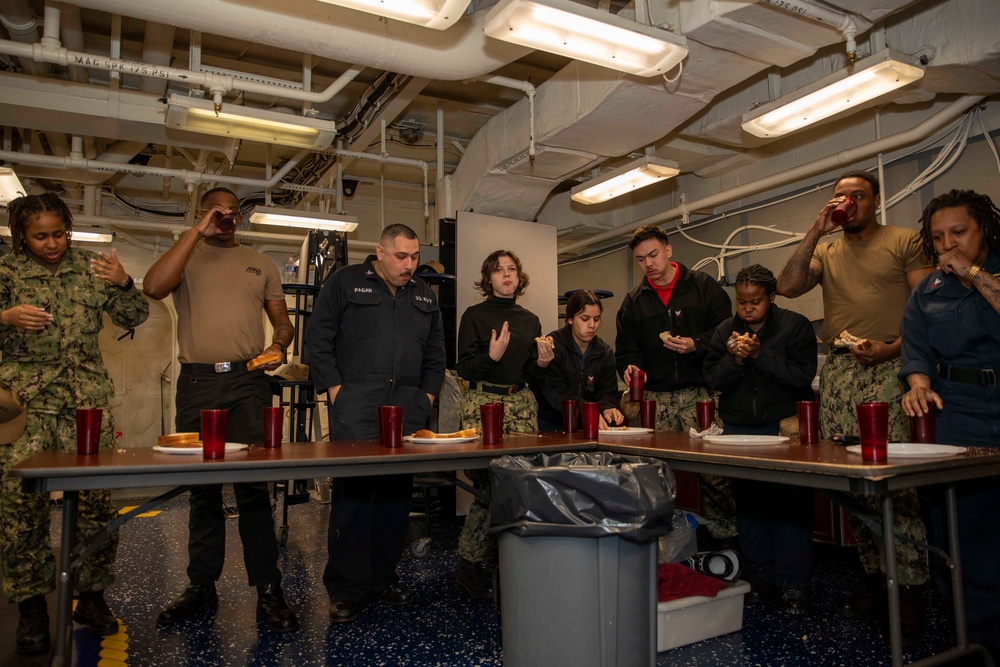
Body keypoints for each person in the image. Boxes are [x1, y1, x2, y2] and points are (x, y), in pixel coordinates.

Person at [776, 169, 933, 643]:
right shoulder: (826, 247)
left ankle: (909, 597)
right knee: (850, 480)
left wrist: (895, 350)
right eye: (840, 196)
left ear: (876, 201)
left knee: (892, 482)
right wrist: (815, 231)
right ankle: (873, 584)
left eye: (857, 196)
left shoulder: (905, 240)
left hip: (893, 364)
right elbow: (787, 286)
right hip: (842, 370)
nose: (848, 203)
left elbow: (927, 306)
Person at [143, 187, 298, 633]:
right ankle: (200, 587)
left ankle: (269, 588)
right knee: (203, 489)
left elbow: (282, 321)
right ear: (201, 213)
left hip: (248, 380)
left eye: (233, 212)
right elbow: (153, 287)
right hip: (197, 382)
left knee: (254, 489)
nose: (227, 218)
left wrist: (278, 345)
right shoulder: (186, 255)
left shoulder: (261, 263)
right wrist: (197, 231)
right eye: (218, 212)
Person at [0, 193, 149, 654]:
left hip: (86, 405)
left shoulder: (90, 267)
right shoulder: (6, 273)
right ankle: (31, 609)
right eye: (40, 236)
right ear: (20, 237)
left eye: (59, 233)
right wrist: (4, 317)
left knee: (95, 507)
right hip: (24, 407)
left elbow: (136, 315)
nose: (52, 244)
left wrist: (125, 283)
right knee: (20, 510)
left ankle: (92, 597)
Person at [306, 224, 445, 624]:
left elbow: (435, 353)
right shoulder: (345, 283)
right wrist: (335, 392)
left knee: (395, 497)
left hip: (407, 406)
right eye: (402, 257)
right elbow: (319, 340)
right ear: (379, 252)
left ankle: (384, 577)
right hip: (357, 402)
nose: (410, 265)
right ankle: (347, 589)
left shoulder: (423, 294)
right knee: (353, 496)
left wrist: (427, 398)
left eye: (415, 257)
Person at [900, 189, 1000, 657]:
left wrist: (976, 274)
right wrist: (918, 383)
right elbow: (915, 347)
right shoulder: (928, 290)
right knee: (958, 529)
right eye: (938, 238)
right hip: (957, 409)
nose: (948, 246)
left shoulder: (992, 272)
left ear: (984, 231)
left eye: (959, 233)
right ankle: (974, 640)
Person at [703, 264, 816, 614]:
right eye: (741, 301)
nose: (747, 308)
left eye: (755, 301)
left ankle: (793, 585)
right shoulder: (724, 330)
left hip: (782, 429)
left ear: (771, 297)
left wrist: (758, 355)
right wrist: (735, 359)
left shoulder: (794, 326)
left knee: (789, 509)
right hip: (740, 430)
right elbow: (713, 379)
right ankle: (761, 578)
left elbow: (801, 376)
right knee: (750, 509)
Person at [615, 225, 736, 544]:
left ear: (668, 251)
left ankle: (726, 537)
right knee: (650, 471)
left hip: (701, 394)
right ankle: (658, 540)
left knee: (715, 471)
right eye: (640, 260)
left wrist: (697, 344)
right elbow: (626, 349)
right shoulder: (633, 301)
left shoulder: (703, 287)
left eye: (653, 255)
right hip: (654, 398)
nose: (648, 264)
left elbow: (726, 332)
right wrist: (630, 367)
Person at [454, 250, 553, 598]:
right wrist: (490, 357)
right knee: (489, 485)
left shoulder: (530, 320)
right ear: (489, 278)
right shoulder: (475, 316)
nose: (506, 275)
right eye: (499, 270)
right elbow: (464, 369)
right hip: (484, 403)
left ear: (519, 277)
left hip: (521, 403)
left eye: (512, 269)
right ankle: (470, 562)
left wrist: (541, 364)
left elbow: (529, 375)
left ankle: (504, 559)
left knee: (520, 485)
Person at [536, 290, 624, 430]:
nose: (592, 325)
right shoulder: (552, 346)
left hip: (586, 425)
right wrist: (588, 411)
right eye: (584, 319)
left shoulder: (605, 352)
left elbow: (607, 392)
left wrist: (608, 408)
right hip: (551, 424)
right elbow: (556, 391)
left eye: (596, 319)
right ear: (570, 319)